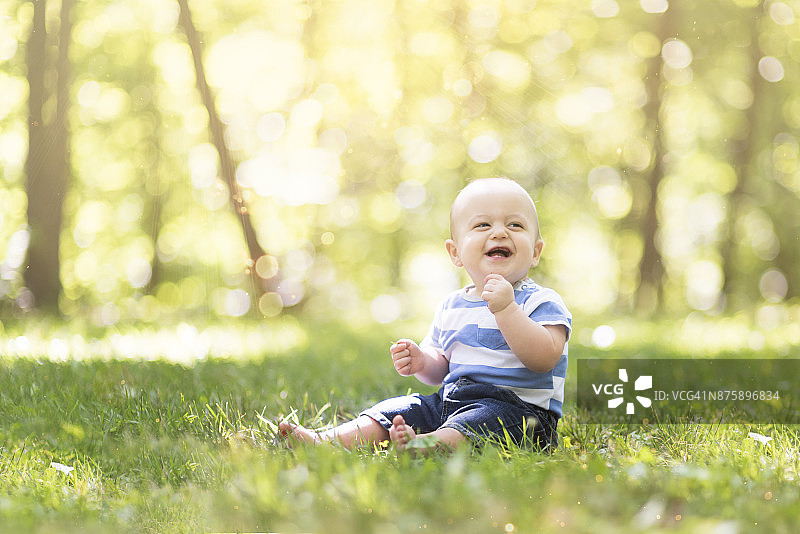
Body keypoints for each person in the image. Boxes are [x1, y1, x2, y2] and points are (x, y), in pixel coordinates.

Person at [279, 177, 571, 454]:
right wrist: (421, 361)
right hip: (451, 402)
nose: (499, 232)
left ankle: (425, 445)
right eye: (482, 224)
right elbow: (439, 370)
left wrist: (508, 310)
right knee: (401, 408)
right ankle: (326, 441)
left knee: (481, 421)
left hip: (520, 413)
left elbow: (544, 359)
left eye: (515, 224)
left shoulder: (541, 301)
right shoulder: (452, 306)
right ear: (455, 253)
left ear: (535, 251)